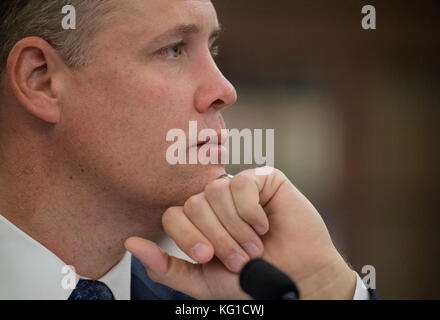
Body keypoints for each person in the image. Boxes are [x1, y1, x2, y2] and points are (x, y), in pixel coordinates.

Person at [0, 0, 374, 300]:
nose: (225, 90)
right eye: (173, 50)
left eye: (211, 49)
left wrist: (323, 290)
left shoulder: (244, 296)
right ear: (42, 79)